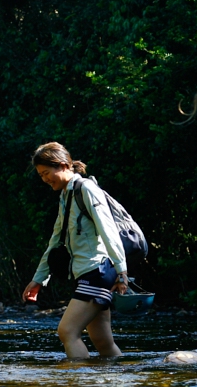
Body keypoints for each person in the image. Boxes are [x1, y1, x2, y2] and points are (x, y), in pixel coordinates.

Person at [22, 142, 127, 359]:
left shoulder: (86, 189)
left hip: (97, 272)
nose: (44, 179)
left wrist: (122, 271)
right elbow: (55, 241)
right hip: (88, 273)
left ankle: (81, 385)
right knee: (102, 340)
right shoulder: (66, 196)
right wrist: (39, 279)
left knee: (67, 331)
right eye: (41, 175)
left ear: (62, 165)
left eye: (46, 173)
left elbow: (108, 231)